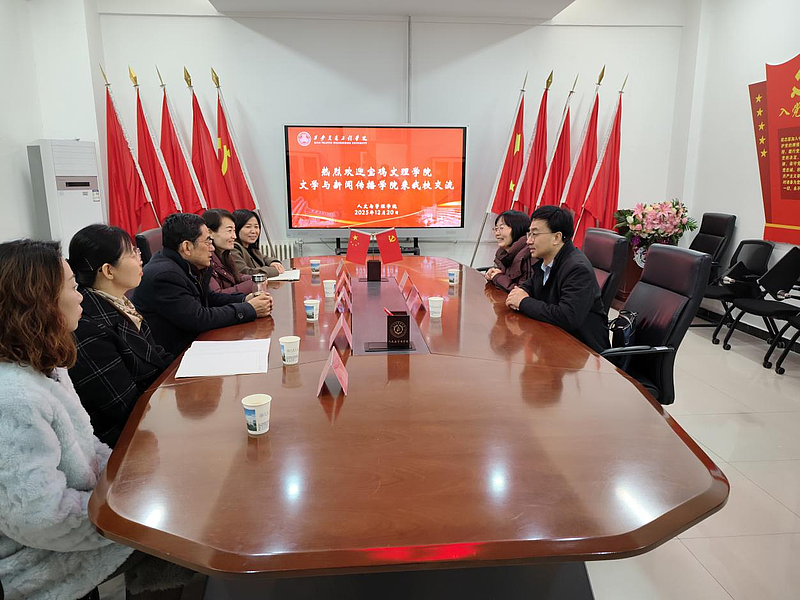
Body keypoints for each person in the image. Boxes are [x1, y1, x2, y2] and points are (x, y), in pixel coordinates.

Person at [0, 240, 191, 600]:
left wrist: (134, 481)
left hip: (92, 511)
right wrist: (129, 513)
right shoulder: (13, 397)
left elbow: (88, 446)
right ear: (38, 303)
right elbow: (39, 518)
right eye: (72, 287)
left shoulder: (47, 365)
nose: (81, 297)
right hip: (39, 554)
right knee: (189, 531)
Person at [67, 224, 173, 447]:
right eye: (132, 254)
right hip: (129, 440)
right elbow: (126, 408)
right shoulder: (88, 328)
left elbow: (157, 355)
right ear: (108, 270)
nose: (140, 259)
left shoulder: (120, 302)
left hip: (157, 410)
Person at [132, 213, 273, 356]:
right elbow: (199, 318)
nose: (212, 248)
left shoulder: (187, 265)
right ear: (187, 247)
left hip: (195, 346)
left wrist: (245, 299)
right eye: (207, 242)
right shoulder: (165, 275)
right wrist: (249, 309)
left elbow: (209, 298)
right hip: (176, 359)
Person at [505, 205, 610, 353]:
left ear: (556, 237)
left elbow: (568, 317)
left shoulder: (577, 269)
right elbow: (529, 287)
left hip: (583, 350)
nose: (528, 241)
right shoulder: (546, 260)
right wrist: (520, 295)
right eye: (529, 234)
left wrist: (523, 302)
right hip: (555, 338)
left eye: (535, 234)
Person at [202, 209, 255, 295]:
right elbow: (217, 295)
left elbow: (237, 277)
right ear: (210, 232)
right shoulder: (205, 259)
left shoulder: (225, 254)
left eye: (234, 231)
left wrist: (257, 279)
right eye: (229, 231)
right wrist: (252, 284)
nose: (234, 236)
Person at [484, 210, 532, 291]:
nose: (497, 234)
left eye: (501, 228)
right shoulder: (502, 253)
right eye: (496, 229)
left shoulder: (529, 254)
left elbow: (522, 292)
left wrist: (497, 277)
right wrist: (493, 273)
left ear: (517, 229)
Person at [231, 209, 285, 278]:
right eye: (248, 227)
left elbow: (264, 258)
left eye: (256, 227)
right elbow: (245, 272)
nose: (253, 231)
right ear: (236, 228)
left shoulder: (251, 247)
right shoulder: (233, 248)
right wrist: (273, 270)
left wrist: (273, 262)